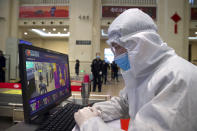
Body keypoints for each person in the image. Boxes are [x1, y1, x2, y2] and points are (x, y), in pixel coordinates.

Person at [74, 9, 197, 131]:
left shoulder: (176, 77)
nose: (116, 56)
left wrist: (90, 123)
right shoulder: (144, 72)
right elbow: (124, 103)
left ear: (139, 43)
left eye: (117, 47)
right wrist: (96, 111)